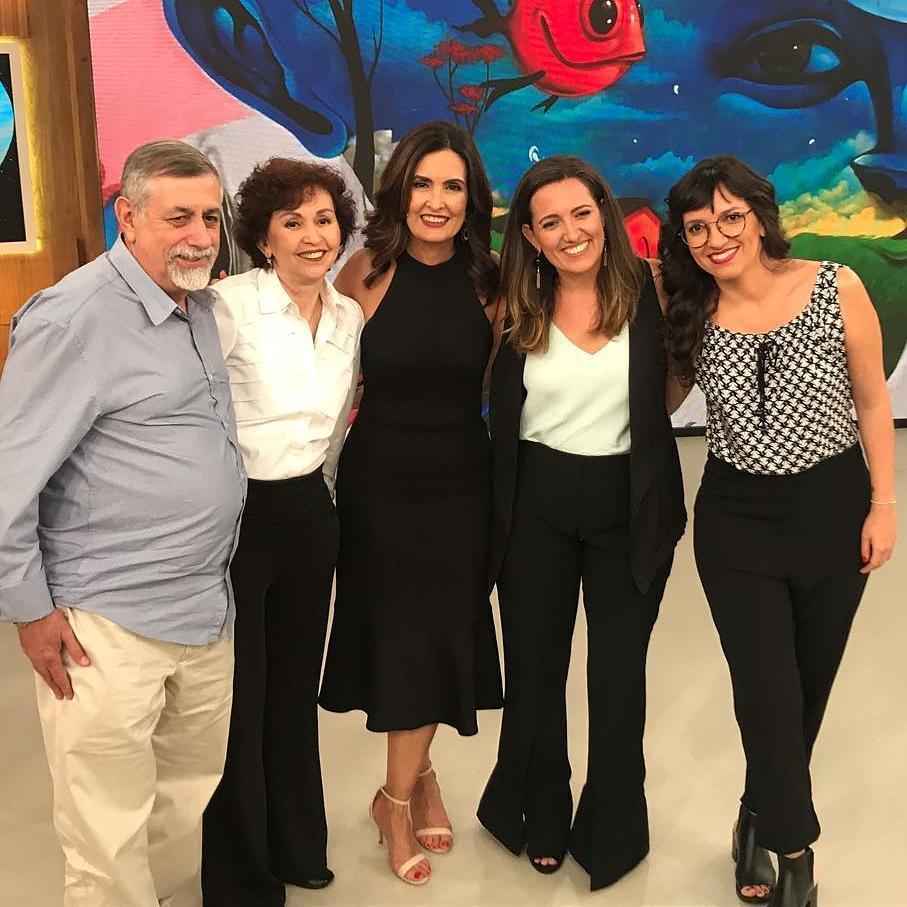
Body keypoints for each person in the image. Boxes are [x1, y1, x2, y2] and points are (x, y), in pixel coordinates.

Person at [0, 139, 245, 907]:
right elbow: (8, 480)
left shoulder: (199, 304)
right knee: (105, 832)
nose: (200, 235)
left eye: (210, 216)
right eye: (178, 217)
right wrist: (31, 611)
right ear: (128, 216)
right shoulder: (73, 319)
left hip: (203, 610)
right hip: (105, 621)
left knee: (182, 801)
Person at [660, 155, 897, 907]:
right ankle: (796, 856)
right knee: (765, 693)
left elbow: (870, 401)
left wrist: (883, 504)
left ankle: (754, 816)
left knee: (803, 696)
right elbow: (659, 403)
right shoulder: (693, 310)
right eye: (697, 227)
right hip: (737, 523)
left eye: (730, 217)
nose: (716, 237)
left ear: (761, 217)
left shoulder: (834, 286)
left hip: (831, 512)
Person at [476, 155, 686, 890]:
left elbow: (672, 386)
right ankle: (538, 808)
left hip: (628, 502)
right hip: (534, 499)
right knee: (536, 667)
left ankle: (612, 827)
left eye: (581, 213)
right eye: (550, 222)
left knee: (618, 674)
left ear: (604, 214)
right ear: (530, 236)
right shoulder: (512, 305)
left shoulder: (655, 287)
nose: (570, 232)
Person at [318, 120, 504, 886]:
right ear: (399, 191)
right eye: (422, 183)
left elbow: (494, 385)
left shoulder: (490, 280)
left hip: (461, 488)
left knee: (438, 637)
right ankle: (403, 795)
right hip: (379, 490)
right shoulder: (365, 270)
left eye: (452, 185)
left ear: (471, 198)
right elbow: (324, 372)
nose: (436, 200)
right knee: (401, 641)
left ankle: (400, 788)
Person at [200, 158, 362, 905]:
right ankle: (240, 872)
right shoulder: (227, 306)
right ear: (263, 239)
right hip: (239, 519)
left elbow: (335, 430)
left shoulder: (347, 316)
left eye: (323, 219)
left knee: (294, 689)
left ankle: (297, 844)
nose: (311, 235)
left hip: (308, 515)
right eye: (292, 222)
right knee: (242, 693)